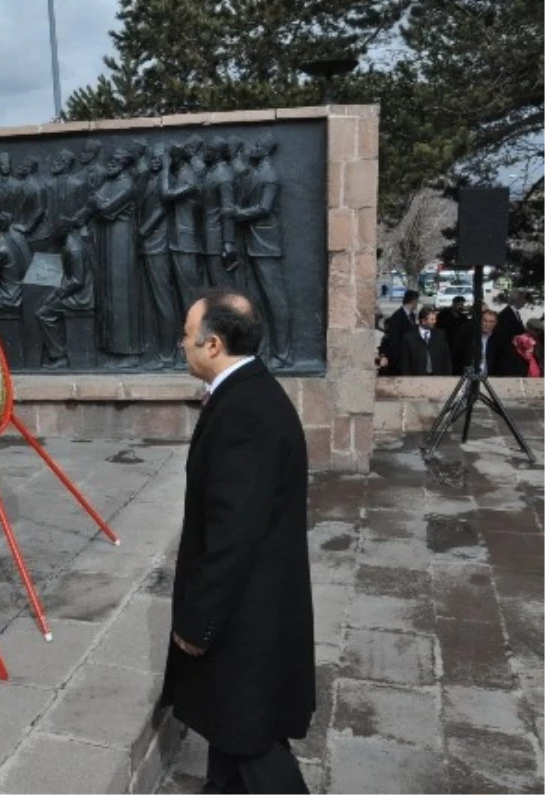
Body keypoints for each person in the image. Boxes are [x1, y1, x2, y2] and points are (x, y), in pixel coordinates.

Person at [160, 289, 314, 794]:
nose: (181, 344)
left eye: (187, 335)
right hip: (253, 606)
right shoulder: (248, 393)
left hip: (246, 612)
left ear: (213, 344)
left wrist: (197, 622)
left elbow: (232, 533)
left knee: (252, 739)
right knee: (232, 724)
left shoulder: (244, 413)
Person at [398, 307, 452, 376]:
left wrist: (448, 377)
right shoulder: (409, 337)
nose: (435, 321)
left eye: (435, 319)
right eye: (432, 319)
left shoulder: (440, 335)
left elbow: (446, 358)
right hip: (417, 378)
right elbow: (405, 363)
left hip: (438, 377)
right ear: (423, 321)